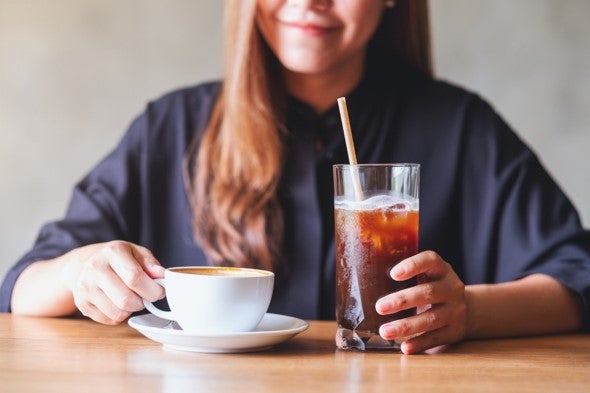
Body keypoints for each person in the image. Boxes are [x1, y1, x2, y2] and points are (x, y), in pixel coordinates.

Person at [1, 0, 589, 355]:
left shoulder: (463, 128)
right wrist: (81, 272)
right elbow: (21, 287)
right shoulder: (171, 127)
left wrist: (472, 312)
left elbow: (577, 279)